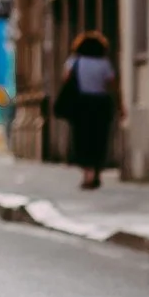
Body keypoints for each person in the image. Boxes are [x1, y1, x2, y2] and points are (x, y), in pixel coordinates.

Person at [60, 30, 120, 190]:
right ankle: (97, 172)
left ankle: (88, 174)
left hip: (82, 104)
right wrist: (120, 106)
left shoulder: (74, 62)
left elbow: (66, 80)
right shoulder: (104, 63)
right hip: (100, 104)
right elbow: (113, 86)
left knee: (82, 139)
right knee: (99, 139)